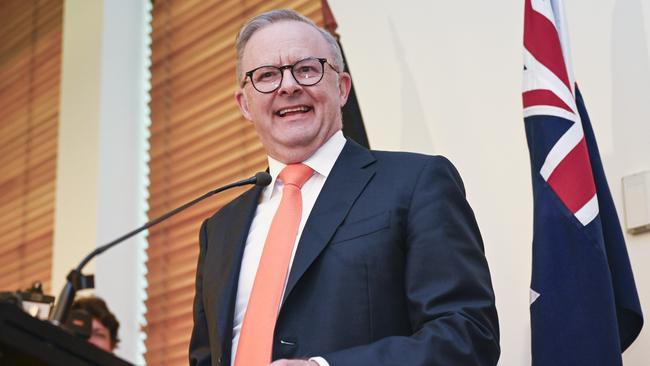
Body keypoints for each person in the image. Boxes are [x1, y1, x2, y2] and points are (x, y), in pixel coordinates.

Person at [189, 9, 499, 366]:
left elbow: (468, 335)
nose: (288, 86)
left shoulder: (416, 182)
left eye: (306, 68)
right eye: (267, 75)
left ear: (341, 88)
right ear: (245, 104)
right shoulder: (219, 230)